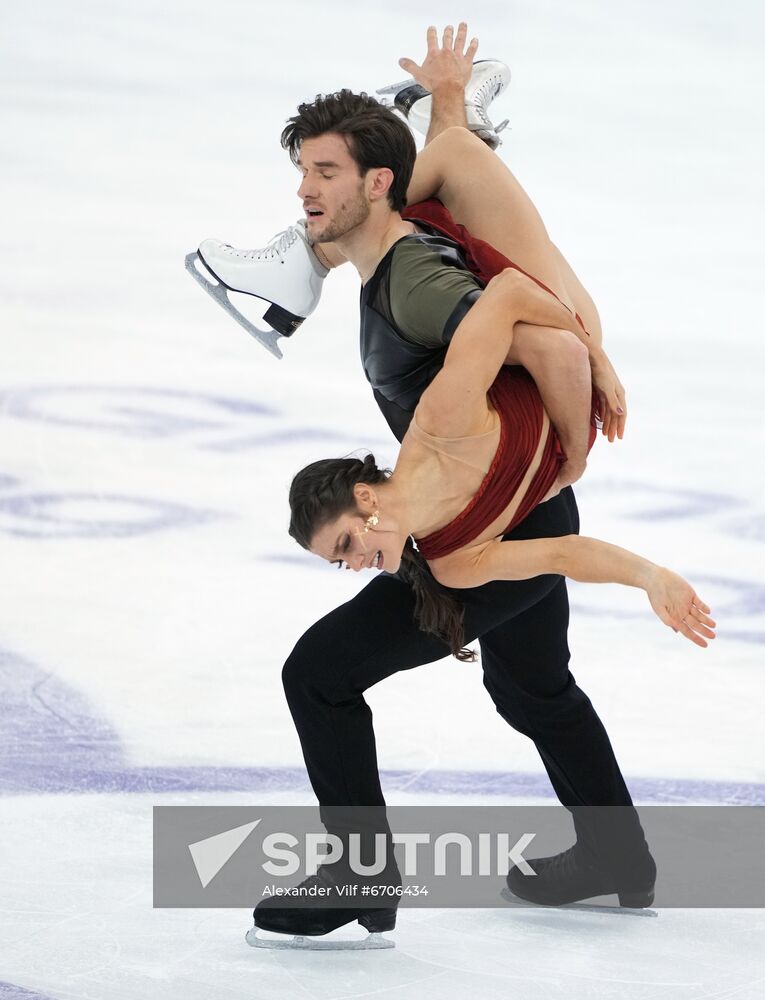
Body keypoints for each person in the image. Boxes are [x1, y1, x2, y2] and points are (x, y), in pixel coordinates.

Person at [197, 26, 695, 946]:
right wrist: (451, 109)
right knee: (533, 689)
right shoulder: (393, 243)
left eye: (326, 173)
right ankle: (615, 856)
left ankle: (360, 875)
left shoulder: (414, 282)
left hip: (481, 524)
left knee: (319, 676)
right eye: (302, 173)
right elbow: (451, 184)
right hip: (510, 508)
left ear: (376, 183)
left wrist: (578, 429)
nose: (306, 192)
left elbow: (536, 328)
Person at [287, 264, 715, 659]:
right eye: (341, 562)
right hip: (570, 386)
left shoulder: (442, 421)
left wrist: (596, 361)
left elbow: (510, 290)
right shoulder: (452, 564)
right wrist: (650, 577)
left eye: (346, 544)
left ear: (364, 496)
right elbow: (563, 555)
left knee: (556, 345)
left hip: (559, 321)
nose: (357, 564)